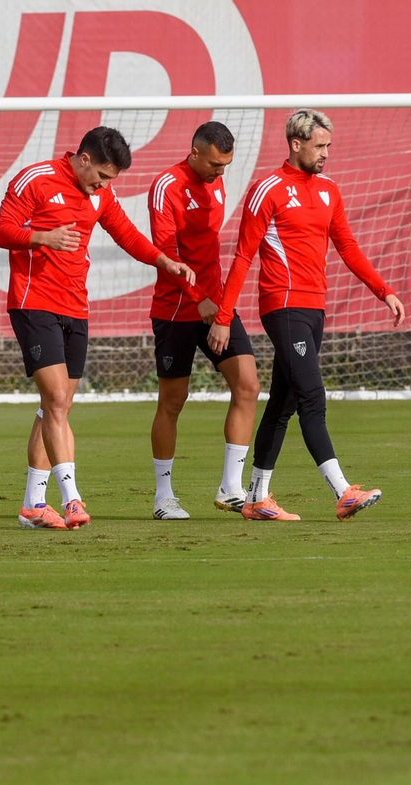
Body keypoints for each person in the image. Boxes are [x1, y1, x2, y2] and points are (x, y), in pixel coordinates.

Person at [0, 126, 195, 530]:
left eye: (109, 181)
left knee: (58, 407)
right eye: (101, 176)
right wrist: (42, 237)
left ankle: (33, 503)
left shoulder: (100, 194)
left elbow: (125, 234)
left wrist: (163, 261)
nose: (103, 185)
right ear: (83, 159)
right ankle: (71, 498)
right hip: (34, 303)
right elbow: (0, 231)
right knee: (54, 400)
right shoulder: (36, 179)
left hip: (75, 307)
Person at [211, 109, 406, 521]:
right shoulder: (268, 189)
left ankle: (256, 498)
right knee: (312, 397)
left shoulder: (329, 191)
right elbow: (243, 255)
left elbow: (347, 247)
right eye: (320, 146)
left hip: (314, 307)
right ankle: (343, 491)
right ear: (296, 144)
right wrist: (223, 316)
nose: (326, 154)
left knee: (282, 404)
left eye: (328, 146)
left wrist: (383, 290)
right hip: (282, 305)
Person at [145, 121, 261, 520]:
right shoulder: (166, 186)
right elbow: (164, 253)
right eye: (214, 164)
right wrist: (200, 301)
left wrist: (220, 310)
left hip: (216, 310)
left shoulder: (217, 183)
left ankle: (231, 488)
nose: (219, 172)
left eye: (225, 165)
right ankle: (163, 497)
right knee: (173, 401)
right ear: (194, 152)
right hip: (177, 309)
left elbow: (210, 250)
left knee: (247, 384)